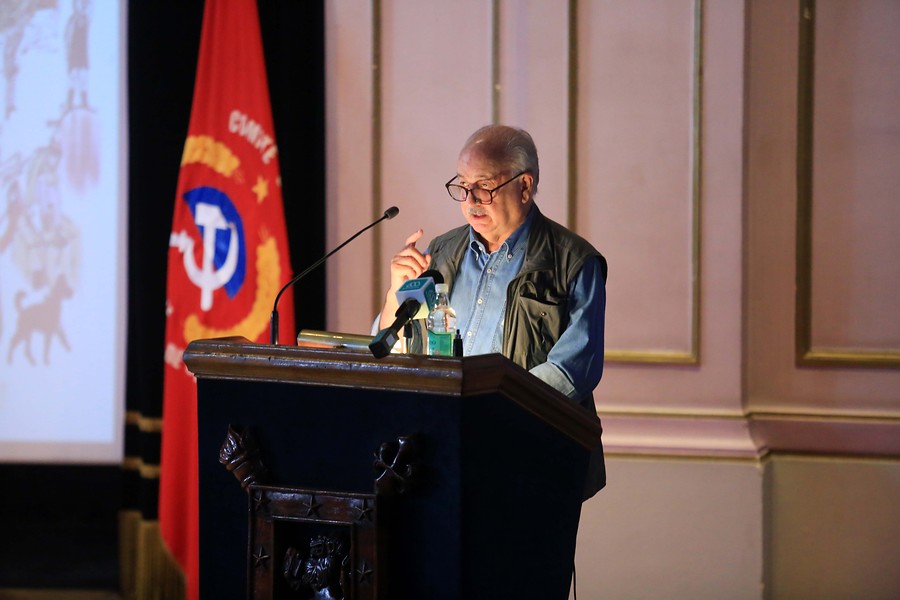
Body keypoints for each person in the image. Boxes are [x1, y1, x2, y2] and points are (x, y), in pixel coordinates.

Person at [377, 124, 608, 498]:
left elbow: (571, 371)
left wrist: (486, 417)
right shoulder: (440, 252)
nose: (470, 199)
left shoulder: (573, 262)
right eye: (462, 185)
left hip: (531, 459)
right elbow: (388, 347)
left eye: (484, 186)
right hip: (438, 454)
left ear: (525, 186)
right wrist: (393, 296)